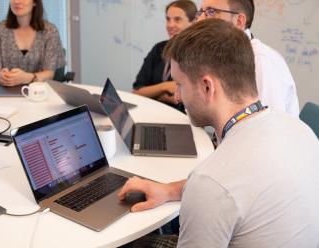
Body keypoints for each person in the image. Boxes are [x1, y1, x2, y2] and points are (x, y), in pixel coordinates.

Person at [119, 19, 319, 247]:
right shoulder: (300, 130)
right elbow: (236, 189)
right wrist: (167, 190)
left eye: (179, 85)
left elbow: (217, 189)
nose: (176, 97)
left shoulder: (211, 182)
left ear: (207, 87)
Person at [195, 0, 299, 117]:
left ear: (239, 21)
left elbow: (268, 125)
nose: (199, 20)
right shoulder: (221, 54)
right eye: (201, 12)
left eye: (211, 11)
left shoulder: (261, 61)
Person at [132, 0, 197, 112]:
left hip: (183, 121)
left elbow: (186, 101)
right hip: (151, 114)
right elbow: (137, 91)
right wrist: (165, 86)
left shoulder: (199, 54)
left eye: (177, 19)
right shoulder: (158, 49)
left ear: (193, 22)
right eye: (168, 19)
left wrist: (154, 93)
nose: (170, 25)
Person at [0, 0, 65, 86]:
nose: (17, 1)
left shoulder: (50, 31)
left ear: (35, 2)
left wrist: (27, 78)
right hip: (5, 93)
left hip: (39, 93)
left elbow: (49, 74)